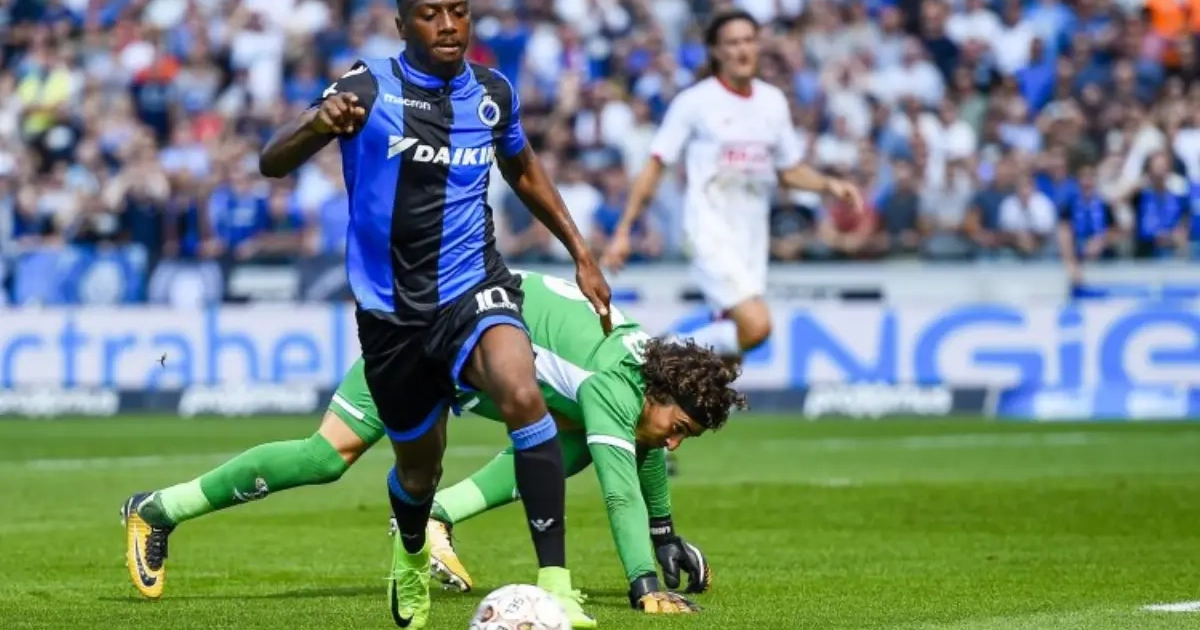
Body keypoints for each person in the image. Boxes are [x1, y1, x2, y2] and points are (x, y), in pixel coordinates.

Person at [123, 2, 612, 628]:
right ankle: (409, 551)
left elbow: (523, 167)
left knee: (523, 392)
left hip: (474, 289)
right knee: (407, 468)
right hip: (394, 319)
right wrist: (317, 123)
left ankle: (556, 586)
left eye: (458, 12)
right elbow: (273, 161)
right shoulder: (366, 87)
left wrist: (581, 252)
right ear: (403, 27)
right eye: (430, 14)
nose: (448, 25)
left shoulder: (494, 93)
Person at [119, 272, 736, 616]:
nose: (675, 443)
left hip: (478, 355)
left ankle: (437, 515)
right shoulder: (612, 386)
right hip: (427, 339)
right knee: (325, 456)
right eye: (680, 427)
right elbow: (621, 490)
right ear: (662, 391)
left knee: (567, 442)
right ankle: (159, 509)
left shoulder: (641, 370)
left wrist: (664, 535)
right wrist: (643, 584)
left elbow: (642, 447)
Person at [601, 9, 862, 364]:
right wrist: (623, 231)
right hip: (709, 229)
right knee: (756, 326)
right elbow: (655, 165)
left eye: (749, 41)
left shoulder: (772, 102)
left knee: (728, 359)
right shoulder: (695, 102)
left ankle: (663, 379)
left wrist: (828, 185)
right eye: (733, 42)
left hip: (751, 237)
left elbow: (789, 171)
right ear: (716, 51)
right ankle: (654, 350)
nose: (742, 50)